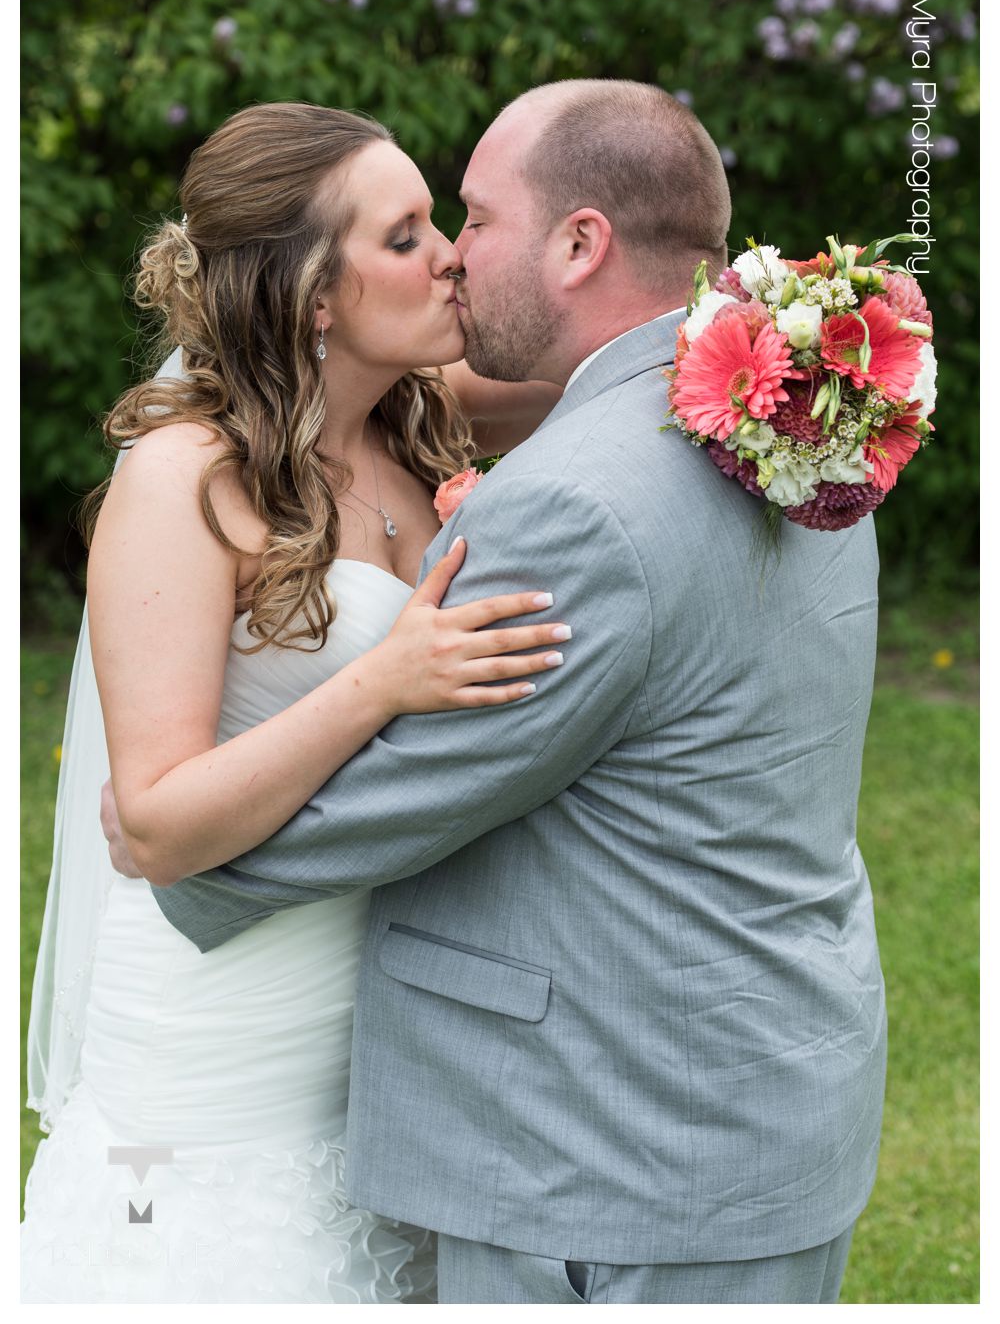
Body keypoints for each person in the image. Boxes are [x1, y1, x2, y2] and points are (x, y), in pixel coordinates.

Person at [141, 79, 888, 1305]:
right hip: (765, 1092)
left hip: (611, 1155)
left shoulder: (576, 499)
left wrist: (173, 848)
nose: (454, 256)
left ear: (579, 243)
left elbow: (401, 796)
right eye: (421, 231)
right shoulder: (803, 420)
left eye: (475, 219)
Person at [21, 101, 570, 1303]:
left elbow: (613, 355)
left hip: (375, 1042)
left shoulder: (418, 422)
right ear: (316, 296)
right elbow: (156, 823)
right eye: (406, 236)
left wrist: (781, 338)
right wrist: (386, 679)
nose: (452, 257)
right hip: (212, 1061)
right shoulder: (184, 479)